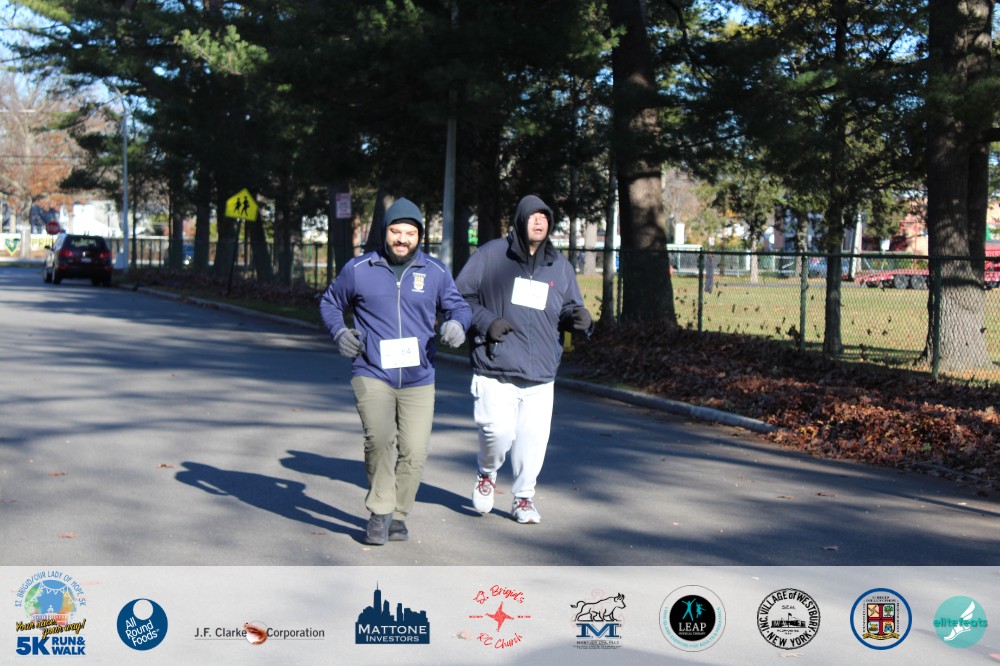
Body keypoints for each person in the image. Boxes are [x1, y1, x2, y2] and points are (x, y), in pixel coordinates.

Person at [320, 198, 471, 545]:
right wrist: (340, 332)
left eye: (410, 233)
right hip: (372, 370)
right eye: (396, 231)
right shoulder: (359, 269)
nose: (402, 239)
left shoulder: (435, 272)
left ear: (419, 237)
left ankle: (398, 514)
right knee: (380, 439)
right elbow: (330, 302)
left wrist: (457, 325)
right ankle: (380, 511)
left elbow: (459, 307)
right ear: (384, 232)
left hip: (420, 376)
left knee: (415, 451)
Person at [454, 194, 593, 524]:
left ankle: (524, 498)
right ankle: (487, 473)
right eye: (533, 216)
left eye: (545, 217)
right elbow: (459, 296)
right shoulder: (490, 255)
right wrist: (487, 322)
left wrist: (579, 318)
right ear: (520, 220)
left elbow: (569, 306)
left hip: (541, 371)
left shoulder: (559, 265)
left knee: (533, 442)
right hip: (496, 366)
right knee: (497, 434)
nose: (539, 221)